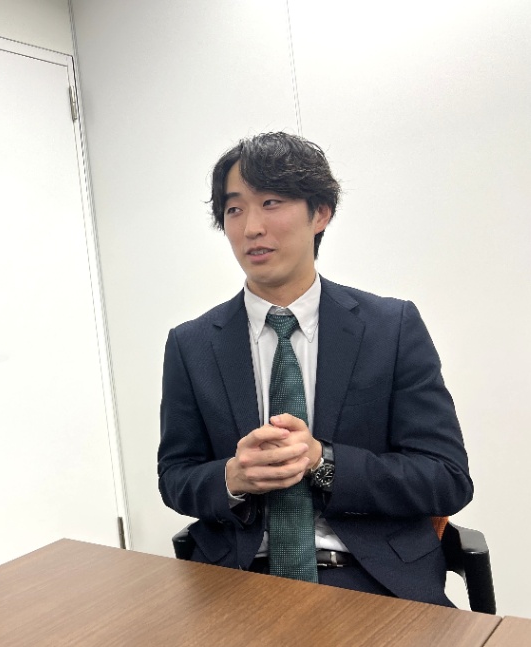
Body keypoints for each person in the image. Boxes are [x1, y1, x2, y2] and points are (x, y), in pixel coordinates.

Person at [157, 132, 472, 605]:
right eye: (235, 209)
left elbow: (446, 478)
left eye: (271, 202)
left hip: (372, 579)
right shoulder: (192, 344)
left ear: (320, 213)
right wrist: (232, 478)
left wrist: (323, 462)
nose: (251, 227)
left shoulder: (391, 328)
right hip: (238, 579)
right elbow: (175, 478)